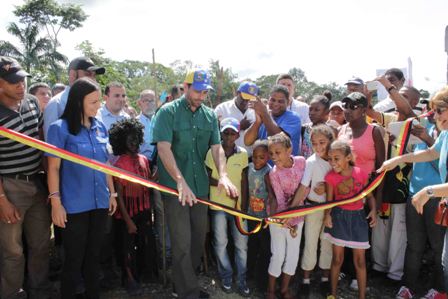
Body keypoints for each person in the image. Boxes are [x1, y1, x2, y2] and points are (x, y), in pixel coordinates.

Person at [151, 69, 238, 299]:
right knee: (181, 243)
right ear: (186, 86)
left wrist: (224, 175)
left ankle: (182, 284)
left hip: (200, 190)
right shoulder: (167, 113)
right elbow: (163, 148)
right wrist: (179, 181)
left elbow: (217, 148)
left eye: (204, 92)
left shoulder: (209, 116)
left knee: (198, 241)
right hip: (175, 188)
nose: (201, 96)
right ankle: (187, 292)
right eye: (197, 91)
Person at [46, 77, 117, 299]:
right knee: (74, 260)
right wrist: (56, 202)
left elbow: (105, 163)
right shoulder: (59, 129)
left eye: (99, 102)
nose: (98, 107)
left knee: (93, 258)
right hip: (74, 205)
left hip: (100, 202)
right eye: (93, 102)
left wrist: (112, 193)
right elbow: (53, 168)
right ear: (78, 102)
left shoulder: (100, 127)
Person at [378, 86, 448, 299]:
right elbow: (431, 153)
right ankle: (419, 288)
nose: (435, 115)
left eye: (440, 110)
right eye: (434, 110)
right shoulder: (445, 134)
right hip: (431, 197)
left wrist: (428, 191)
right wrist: (398, 159)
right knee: (430, 250)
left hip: (436, 199)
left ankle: (440, 290)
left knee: (441, 253)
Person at [0, 56, 51, 299]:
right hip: (9, 187)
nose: (21, 85)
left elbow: (41, 143)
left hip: (37, 183)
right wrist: (2, 200)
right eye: (13, 82)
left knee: (41, 244)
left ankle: (39, 291)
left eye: (22, 80)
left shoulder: (32, 103)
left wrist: (51, 188)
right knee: (12, 250)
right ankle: (12, 293)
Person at [324, 140, 377, 299]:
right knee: (337, 259)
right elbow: (329, 200)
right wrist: (327, 215)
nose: (333, 162)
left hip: (358, 219)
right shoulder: (330, 177)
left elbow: (370, 196)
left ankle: (362, 296)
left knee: (360, 261)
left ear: (348, 157)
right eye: (330, 159)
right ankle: (332, 294)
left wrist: (373, 210)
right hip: (339, 218)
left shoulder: (361, 173)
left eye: (337, 158)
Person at [205, 117, 250, 297]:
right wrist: (222, 184)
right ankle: (226, 276)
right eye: (226, 132)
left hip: (237, 207)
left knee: (241, 245)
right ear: (220, 133)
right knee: (221, 243)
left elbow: (244, 181)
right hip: (218, 206)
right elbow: (206, 177)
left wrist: (244, 207)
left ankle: (242, 279)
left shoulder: (243, 153)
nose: (229, 136)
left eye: (233, 133)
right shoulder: (212, 152)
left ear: (238, 134)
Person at [109, 118, 153, 296]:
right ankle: (129, 279)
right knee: (127, 248)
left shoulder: (144, 159)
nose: (134, 143)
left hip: (143, 210)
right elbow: (119, 196)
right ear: (121, 141)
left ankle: (144, 273)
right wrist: (128, 221)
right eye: (130, 139)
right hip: (127, 214)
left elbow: (148, 185)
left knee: (143, 243)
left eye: (136, 138)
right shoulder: (119, 164)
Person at [291, 124, 335, 297]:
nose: (318, 147)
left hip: (331, 209)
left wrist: (328, 186)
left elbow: (344, 180)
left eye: (322, 142)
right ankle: (306, 280)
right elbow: (304, 186)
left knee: (327, 243)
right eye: (314, 143)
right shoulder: (311, 161)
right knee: (310, 242)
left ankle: (325, 279)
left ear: (330, 141)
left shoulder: (336, 159)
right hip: (313, 207)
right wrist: (292, 208)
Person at [266, 132, 306, 299]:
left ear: (289, 150)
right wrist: (286, 220)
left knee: (293, 255)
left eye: (278, 152)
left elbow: (306, 187)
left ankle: (284, 289)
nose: (274, 157)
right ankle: (270, 290)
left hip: (298, 217)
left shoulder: (302, 163)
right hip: (278, 218)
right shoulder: (274, 173)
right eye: (271, 153)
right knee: (278, 254)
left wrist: (294, 219)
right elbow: (280, 200)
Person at [43, 56, 105, 139]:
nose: (93, 79)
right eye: (88, 74)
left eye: (94, 76)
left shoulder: (95, 102)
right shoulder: (56, 104)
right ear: (73, 75)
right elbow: (51, 143)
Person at [244, 85, 302, 156]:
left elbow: (279, 140)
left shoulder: (293, 118)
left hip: (286, 166)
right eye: (273, 100)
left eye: (280, 101)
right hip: (265, 166)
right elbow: (247, 142)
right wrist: (257, 122)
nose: (276, 104)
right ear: (269, 100)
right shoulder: (265, 115)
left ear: (288, 102)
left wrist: (264, 113)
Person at [246, 140, 271, 291]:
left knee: (265, 248)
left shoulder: (268, 172)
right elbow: (244, 188)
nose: (257, 160)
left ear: (267, 157)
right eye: (255, 157)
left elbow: (272, 195)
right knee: (252, 246)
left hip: (264, 218)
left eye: (261, 157)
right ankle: (249, 273)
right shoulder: (248, 169)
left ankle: (263, 280)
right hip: (251, 215)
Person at [214, 81, 258, 155]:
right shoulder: (222, 109)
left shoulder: (256, 111)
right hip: (226, 158)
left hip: (250, 159)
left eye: (249, 99)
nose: (245, 102)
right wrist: (239, 127)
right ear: (237, 93)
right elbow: (214, 134)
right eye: (244, 98)